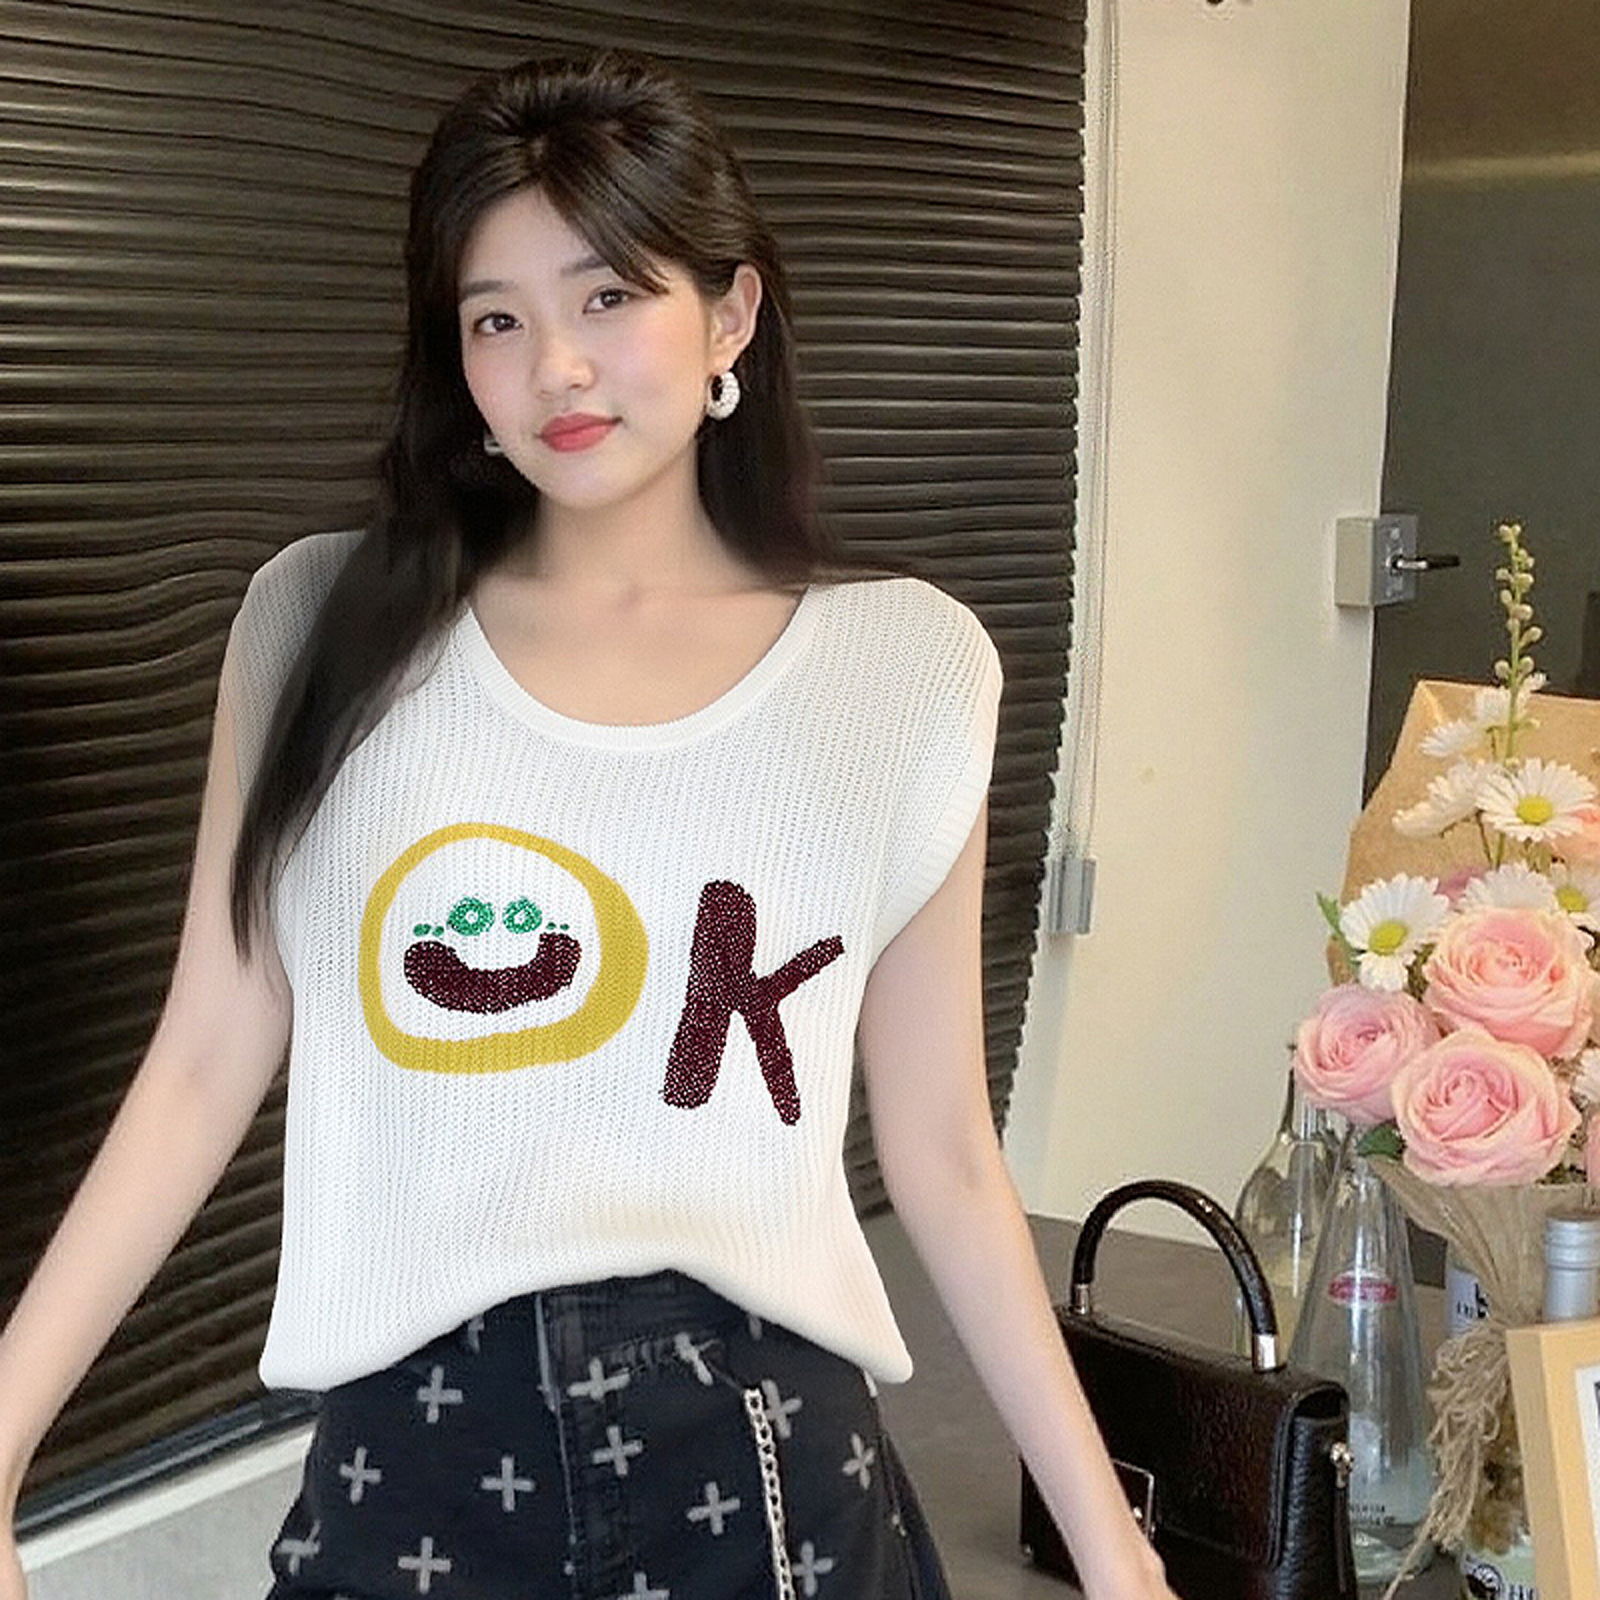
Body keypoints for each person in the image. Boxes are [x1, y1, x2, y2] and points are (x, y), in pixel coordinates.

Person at [0, 47, 1175, 1600]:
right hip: (418, 1450)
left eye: (609, 295)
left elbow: (946, 1150)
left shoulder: (905, 668)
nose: (556, 365)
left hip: (764, 1458)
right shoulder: (319, 626)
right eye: (497, 318)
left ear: (731, 315)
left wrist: (1113, 1549)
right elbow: (207, 1059)